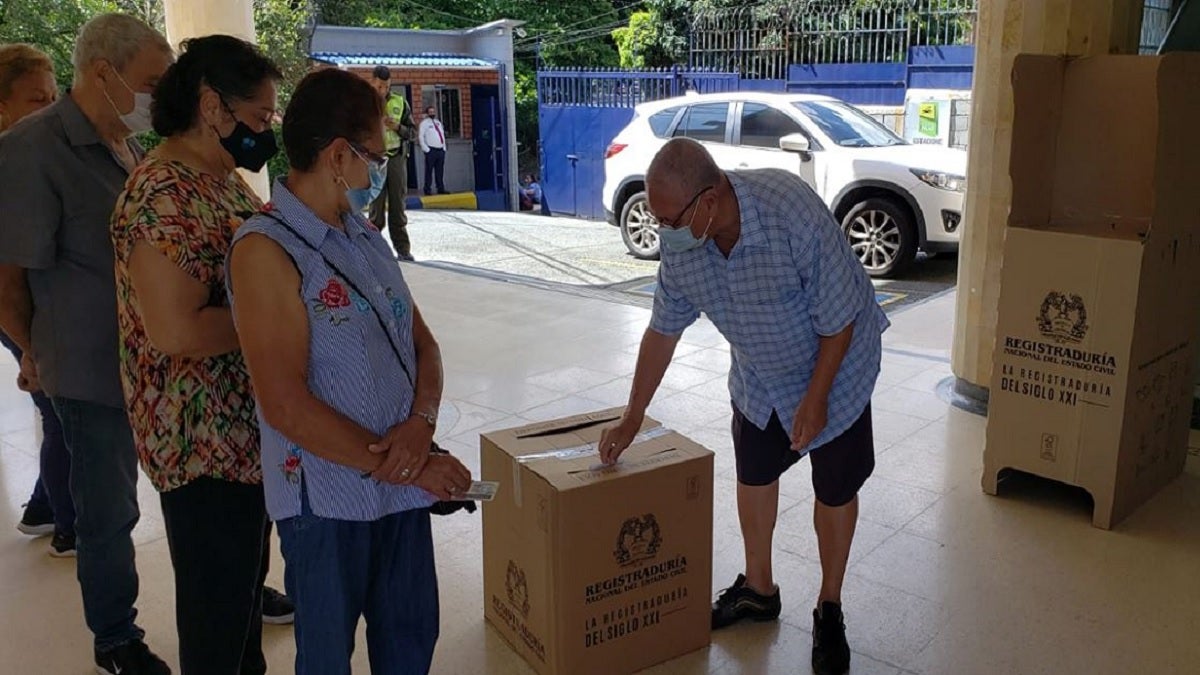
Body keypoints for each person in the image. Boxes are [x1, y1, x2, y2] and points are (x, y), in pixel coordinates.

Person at [598, 138, 888, 675]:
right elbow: (662, 330)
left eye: (669, 220)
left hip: (836, 364)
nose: (663, 232)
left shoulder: (789, 210)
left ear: (709, 201)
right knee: (754, 472)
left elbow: (840, 317)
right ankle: (759, 588)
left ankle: (829, 605)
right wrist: (632, 416)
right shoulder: (685, 245)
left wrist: (816, 399)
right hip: (760, 372)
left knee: (835, 485)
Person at [226, 68, 472, 674]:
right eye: (375, 156)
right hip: (326, 503)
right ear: (338, 156)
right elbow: (284, 404)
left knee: (410, 638)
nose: (378, 171)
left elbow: (423, 345)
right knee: (327, 656)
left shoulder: (363, 235)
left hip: (401, 487)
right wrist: (411, 463)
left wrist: (422, 423)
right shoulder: (266, 250)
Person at [0, 14, 174, 675]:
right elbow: (8, 279)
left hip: (156, 359)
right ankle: (115, 636)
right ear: (103, 73)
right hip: (87, 367)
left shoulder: (126, 144)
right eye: (151, 83)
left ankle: (234, 594)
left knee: (195, 490)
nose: (157, 97)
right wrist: (34, 353)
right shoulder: (32, 149)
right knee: (108, 511)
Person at [109, 35, 283, 674]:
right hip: (200, 444)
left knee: (241, 609)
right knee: (216, 622)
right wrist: (280, 316)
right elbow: (176, 332)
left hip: (244, 434)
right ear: (213, 107)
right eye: (259, 116)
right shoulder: (162, 194)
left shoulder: (221, 179)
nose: (265, 131)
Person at [0, 42, 77, 557]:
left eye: (53, 98)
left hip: (42, 306)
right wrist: (31, 347)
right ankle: (70, 526)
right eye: (36, 100)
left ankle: (45, 507)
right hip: (22, 310)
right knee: (59, 414)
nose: (49, 110)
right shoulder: (12, 164)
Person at [366, 65, 417, 261]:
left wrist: (397, 127)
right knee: (376, 209)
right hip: (374, 160)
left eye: (387, 86)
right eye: (379, 86)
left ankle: (403, 250)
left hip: (396, 159)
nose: (383, 90)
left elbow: (412, 133)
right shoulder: (364, 104)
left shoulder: (399, 102)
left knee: (397, 206)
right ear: (372, 82)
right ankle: (373, 251)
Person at [418, 105, 447, 195]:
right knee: (429, 171)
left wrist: (444, 148)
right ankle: (427, 189)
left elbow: (442, 135)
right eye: (430, 112)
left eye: (433, 112)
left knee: (440, 170)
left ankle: (440, 188)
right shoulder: (424, 124)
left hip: (440, 150)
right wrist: (426, 149)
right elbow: (421, 136)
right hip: (431, 150)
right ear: (427, 113)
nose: (432, 113)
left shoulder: (438, 123)